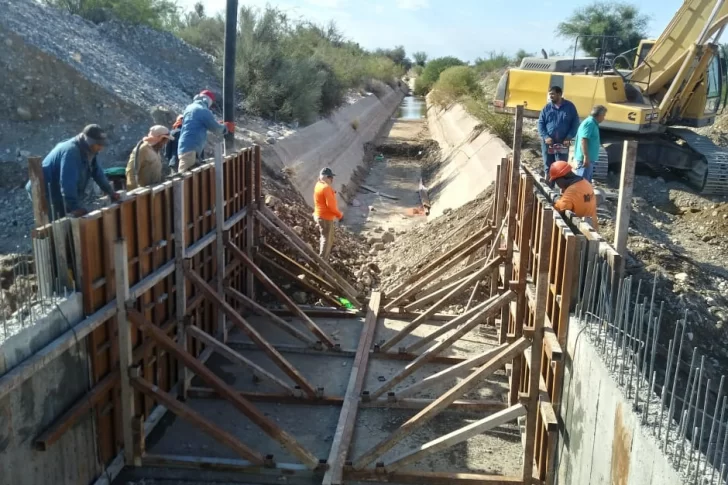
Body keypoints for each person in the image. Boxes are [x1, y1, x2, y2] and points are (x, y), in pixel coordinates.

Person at [25, 124, 120, 220]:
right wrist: (75, 207)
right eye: (99, 144)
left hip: (57, 187)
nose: (101, 148)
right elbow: (67, 184)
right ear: (89, 142)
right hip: (43, 190)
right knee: (57, 222)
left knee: (67, 214)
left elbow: (97, 173)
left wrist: (111, 192)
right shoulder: (72, 152)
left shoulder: (89, 150)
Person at [177, 90, 234, 172]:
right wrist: (226, 127)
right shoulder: (202, 110)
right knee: (185, 180)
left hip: (186, 146)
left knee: (190, 178)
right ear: (208, 101)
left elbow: (197, 123)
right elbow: (216, 129)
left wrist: (217, 124)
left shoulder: (190, 107)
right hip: (191, 148)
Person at [537, 86, 580, 176]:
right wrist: (546, 137)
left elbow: (575, 123)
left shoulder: (570, 107)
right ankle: (549, 187)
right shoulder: (547, 108)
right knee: (548, 166)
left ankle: (561, 187)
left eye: (553, 94)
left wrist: (569, 137)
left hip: (563, 142)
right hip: (548, 143)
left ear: (559, 94)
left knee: (561, 166)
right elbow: (540, 123)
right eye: (550, 94)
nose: (550, 96)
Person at [548, 160, 599, 231]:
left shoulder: (572, 191)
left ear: (562, 178)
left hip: (581, 232)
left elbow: (560, 209)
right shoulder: (585, 182)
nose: (557, 184)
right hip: (593, 227)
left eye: (556, 181)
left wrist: (554, 204)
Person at [125, 125, 173, 190]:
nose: (165, 143)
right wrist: (134, 194)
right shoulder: (142, 149)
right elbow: (130, 172)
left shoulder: (156, 150)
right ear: (160, 138)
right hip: (145, 193)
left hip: (155, 191)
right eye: (165, 140)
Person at [313, 167, 343, 261]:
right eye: (330, 177)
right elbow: (331, 206)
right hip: (325, 218)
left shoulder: (318, 184)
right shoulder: (326, 188)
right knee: (327, 239)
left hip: (319, 215)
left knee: (325, 237)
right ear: (326, 177)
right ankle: (322, 262)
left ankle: (323, 260)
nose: (332, 179)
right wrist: (339, 215)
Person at [573, 105, 607, 183]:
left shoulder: (592, 123)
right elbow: (584, 139)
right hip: (585, 160)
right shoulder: (590, 123)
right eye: (603, 115)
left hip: (589, 159)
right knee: (582, 183)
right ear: (599, 115)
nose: (604, 118)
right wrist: (586, 156)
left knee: (586, 183)